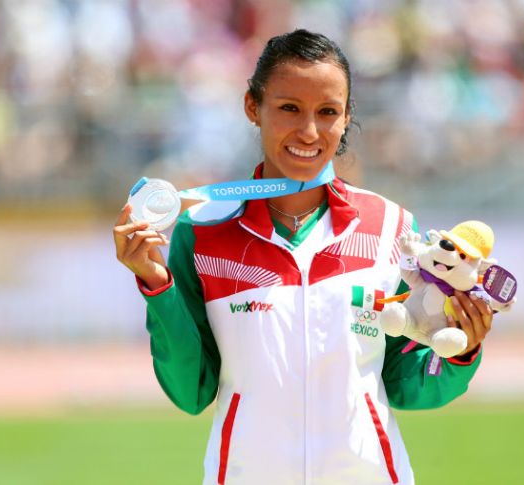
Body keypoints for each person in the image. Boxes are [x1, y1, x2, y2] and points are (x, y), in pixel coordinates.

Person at [113, 29, 493, 485]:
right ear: (253, 107)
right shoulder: (203, 231)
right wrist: (158, 286)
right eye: (289, 108)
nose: (309, 132)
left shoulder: (392, 227)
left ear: (347, 117)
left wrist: (460, 351)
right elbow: (190, 390)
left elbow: (404, 382)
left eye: (328, 112)